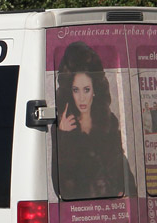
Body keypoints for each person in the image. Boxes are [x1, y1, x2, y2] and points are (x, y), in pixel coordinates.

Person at [54, 41, 128, 200]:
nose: (81, 98)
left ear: (95, 90)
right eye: (76, 90)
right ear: (70, 92)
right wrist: (63, 134)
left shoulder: (109, 122)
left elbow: (120, 168)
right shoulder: (60, 126)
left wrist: (122, 191)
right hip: (76, 212)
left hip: (112, 208)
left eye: (86, 89)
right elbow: (59, 178)